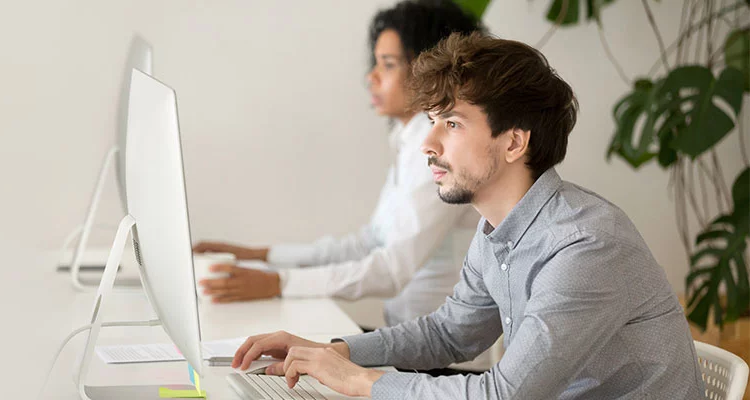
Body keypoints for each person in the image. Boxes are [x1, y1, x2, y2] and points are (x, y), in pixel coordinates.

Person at [230, 32, 702, 399]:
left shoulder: (586, 246)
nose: (429, 144)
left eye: (452, 123)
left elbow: (504, 394)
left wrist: (358, 380)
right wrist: (336, 351)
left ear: (515, 142)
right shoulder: (497, 230)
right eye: (433, 121)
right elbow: (450, 334)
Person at [194, 0, 483, 329]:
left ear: (430, 70)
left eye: (387, 64)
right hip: (407, 337)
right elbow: (369, 242)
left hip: (441, 357)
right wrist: (260, 257)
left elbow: (390, 270)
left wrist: (278, 282)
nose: (371, 77)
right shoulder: (410, 142)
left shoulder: (440, 150)